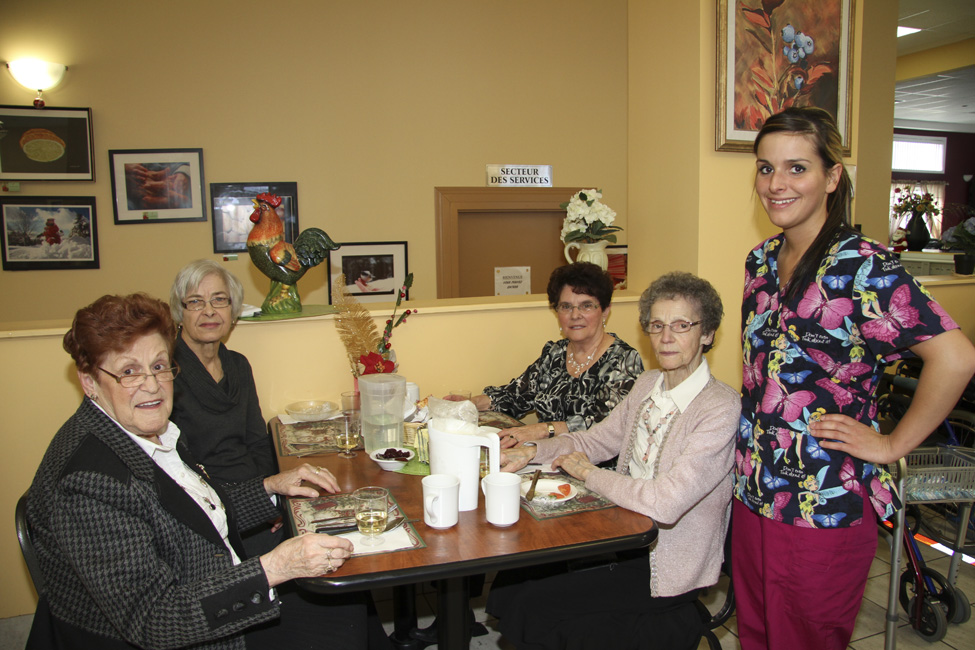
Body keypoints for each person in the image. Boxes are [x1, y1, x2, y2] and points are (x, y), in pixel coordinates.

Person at [734, 106, 975, 649]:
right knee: (756, 634)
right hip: (753, 488)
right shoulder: (760, 262)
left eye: (797, 168)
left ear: (831, 177)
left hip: (824, 499)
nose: (776, 184)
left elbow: (956, 358)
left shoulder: (863, 267)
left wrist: (891, 444)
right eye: (766, 168)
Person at [25, 293, 382, 650]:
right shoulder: (88, 483)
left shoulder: (149, 431)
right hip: (185, 629)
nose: (152, 385)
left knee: (349, 595)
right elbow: (153, 620)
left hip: (208, 587)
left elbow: (193, 513)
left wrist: (271, 488)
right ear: (89, 381)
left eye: (159, 366)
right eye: (129, 371)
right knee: (340, 620)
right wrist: (275, 567)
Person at [488, 271, 740, 650]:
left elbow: (666, 502)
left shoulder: (720, 407)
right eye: (657, 325)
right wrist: (532, 451)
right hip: (622, 535)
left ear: (707, 333)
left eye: (681, 325)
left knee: (532, 607)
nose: (666, 337)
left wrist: (588, 474)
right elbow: (597, 438)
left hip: (666, 562)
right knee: (511, 584)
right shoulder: (648, 385)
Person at [454, 262, 644, 449]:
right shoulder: (555, 354)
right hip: (544, 456)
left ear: (605, 311)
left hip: (593, 463)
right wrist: (470, 403)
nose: (575, 315)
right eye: (566, 306)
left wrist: (545, 430)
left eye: (586, 306)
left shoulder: (624, 360)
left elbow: (605, 426)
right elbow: (516, 395)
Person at [169, 259, 279, 557]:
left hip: (255, 494)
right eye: (196, 301)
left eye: (219, 300)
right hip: (205, 511)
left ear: (233, 311)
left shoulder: (238, 365)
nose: (209, 311)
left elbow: (258, 442)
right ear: (179, 311)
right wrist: (255, 501)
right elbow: (178, 470)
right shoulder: (166, 373)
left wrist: (270, 500)